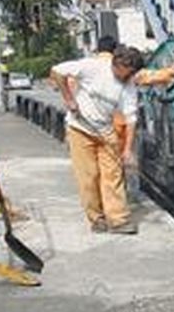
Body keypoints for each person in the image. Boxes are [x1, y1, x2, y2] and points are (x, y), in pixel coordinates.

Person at [50, 45, 145, 235]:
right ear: (117, 64)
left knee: (114, 174)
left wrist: (127, 150)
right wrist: (69, 98)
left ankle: (118, 219)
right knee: (89, 176)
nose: (127, 78)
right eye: (126, 73)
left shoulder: (128, 85)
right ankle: (97, 218)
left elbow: (131, 117)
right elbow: (57, 71)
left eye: (131, 74)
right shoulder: (92, 67)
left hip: (105, 130)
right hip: (80, 128)